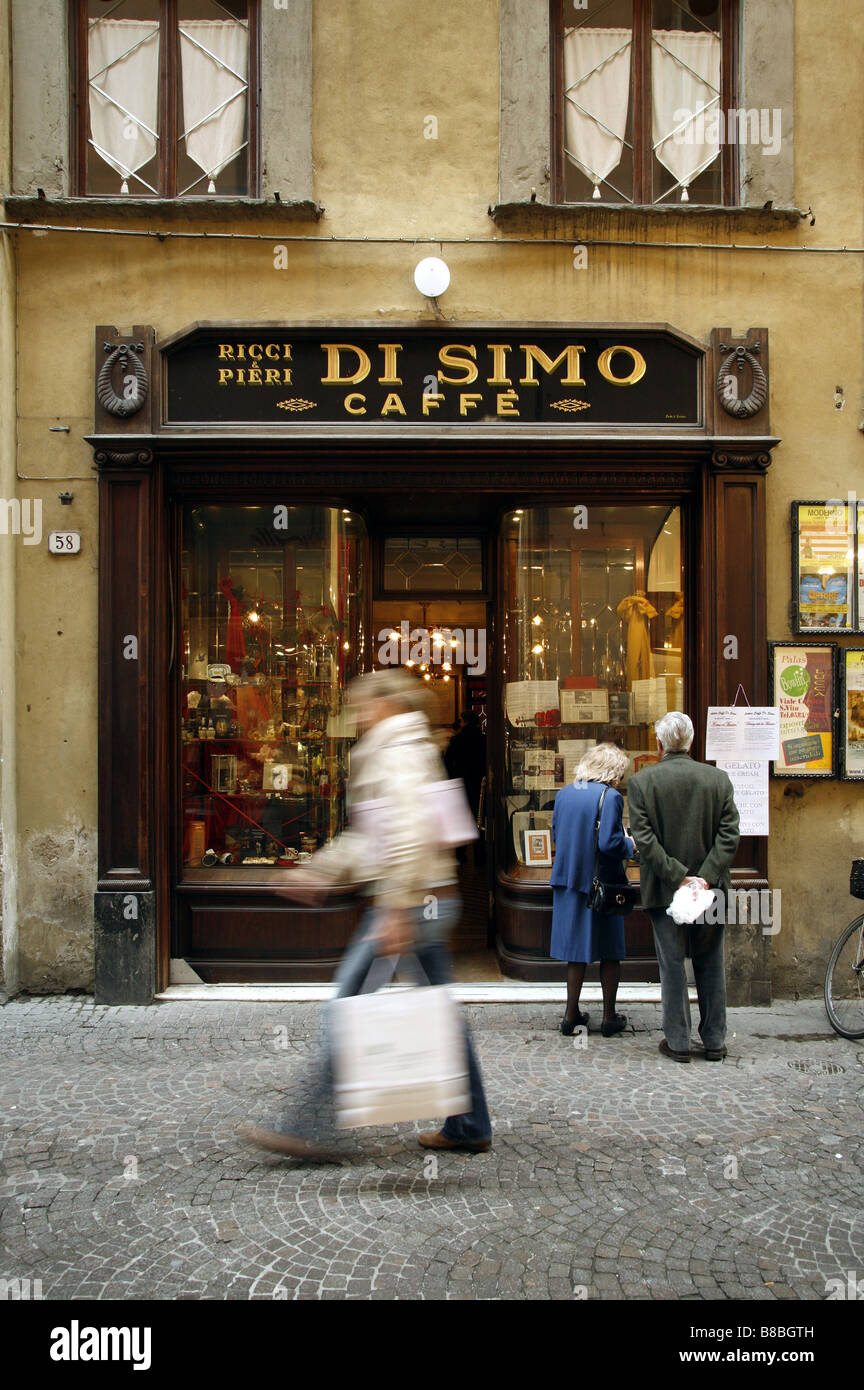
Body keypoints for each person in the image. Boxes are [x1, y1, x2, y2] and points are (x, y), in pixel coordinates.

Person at [241, 667, 492, 1160]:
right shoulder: (406, 747)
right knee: (437, 1010)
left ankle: (308, 1127)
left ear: (384, 705)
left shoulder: (394, 751)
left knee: (350, 1004)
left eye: (360, 704)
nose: (355, 713)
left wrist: (396, 908)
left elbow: (404, 832)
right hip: (428, 897)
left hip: (410, 903)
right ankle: (468, 1123)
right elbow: (373, 837)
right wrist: (320, 872)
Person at [627, 711, 740, 1064]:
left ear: (659, 744)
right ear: (691, 742)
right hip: (711, 890)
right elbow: (730, 834)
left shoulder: (643, 782)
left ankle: (677, 1041)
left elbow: (644, 841)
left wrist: (679, 876)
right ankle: (715, 1040)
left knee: (672, 966)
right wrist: (704, 876)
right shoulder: (718, 780)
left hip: (665, 891)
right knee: (710, 962)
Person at [550, 743, 636, 1037]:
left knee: (576, 951)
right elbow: (609, 844)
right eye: (619, 773)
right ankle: (609, 1017)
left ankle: (570, 1013)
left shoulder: (564, 793)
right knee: (610, 950)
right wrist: (631, 845)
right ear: (612, 771)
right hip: (602, 883)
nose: (619, 780)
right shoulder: (610, 797)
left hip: (568, 880)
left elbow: (556, 833)